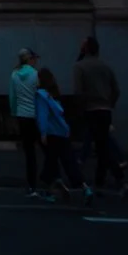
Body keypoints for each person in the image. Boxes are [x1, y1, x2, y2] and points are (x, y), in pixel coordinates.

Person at [72, 37, 127, 193]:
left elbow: (78, 92)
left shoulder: (79, 67)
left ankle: (121, 180)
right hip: (105, 109)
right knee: (102, 145)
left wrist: (80, 109)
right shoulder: (105, 66)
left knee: (102, 146)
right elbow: (116, 90)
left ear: (85, 49)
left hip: (91, 110)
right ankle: (100, 182)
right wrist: (110, 104)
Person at [35, 68, 93, 203]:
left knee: (51, 162)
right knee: (69, 163)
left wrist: (42, 132)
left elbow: (42, 115)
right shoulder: (54, 95)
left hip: (51, 133)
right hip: (62, 133)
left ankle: (50, 188)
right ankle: (85, 188)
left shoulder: (40, 95)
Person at [8, 47, 41, 194]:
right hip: (36, 115)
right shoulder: (36, 74)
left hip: (22, 115)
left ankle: (32, 184)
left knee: (29, 152)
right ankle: (51, 179)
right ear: (30, 59)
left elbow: (13, 97)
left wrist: (14, 114)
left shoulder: (14, 75)